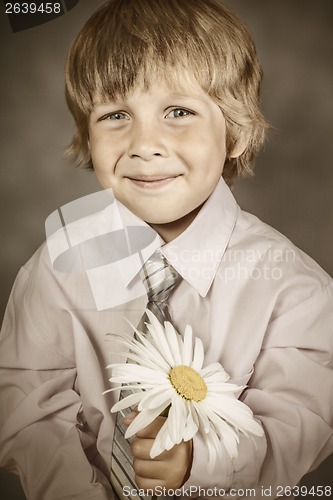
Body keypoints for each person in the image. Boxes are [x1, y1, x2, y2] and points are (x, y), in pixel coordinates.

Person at [0, 0, 332, 499]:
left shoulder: (296, 289)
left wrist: (200, 460)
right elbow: (28, 409)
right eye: (115, 115)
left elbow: (300, 422)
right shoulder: (57, 267)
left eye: (178, 111)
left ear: (236, 131)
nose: (144, 143)